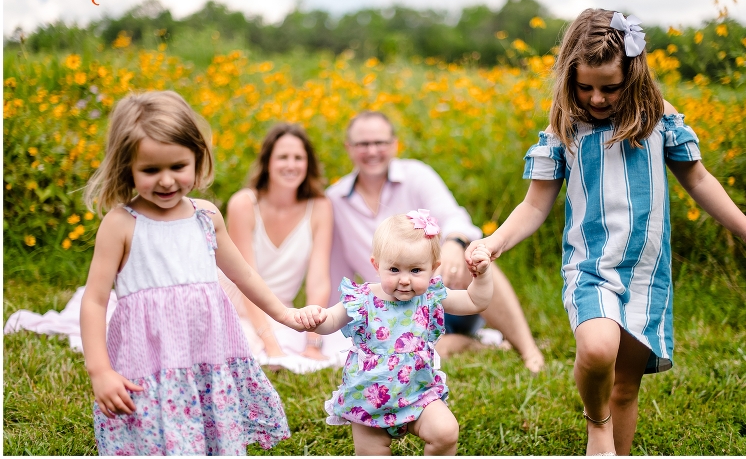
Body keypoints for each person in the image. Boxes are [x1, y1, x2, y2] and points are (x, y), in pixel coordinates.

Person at [464, 9, 746, 456]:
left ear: (634, 75)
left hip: (646, 274)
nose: (597, 98)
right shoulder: (564, 129)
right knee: (598, 348)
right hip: (590, 268)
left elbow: (699, 180)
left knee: (625, 386)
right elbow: (534, 204)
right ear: (570, 78)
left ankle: (613, 447)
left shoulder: (660, 120)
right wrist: (493, 242)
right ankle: (596, 424)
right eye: (585, 87)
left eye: (610, 87)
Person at [79, 91, 324, 455]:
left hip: (207, 355)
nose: (165, 181)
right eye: (150, 170)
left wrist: (284, 314)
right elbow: (95, 301)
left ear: (198, 159)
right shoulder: (121, 224)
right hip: (151, 364)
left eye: (177, 167)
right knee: (157, 438)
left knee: (212, 439)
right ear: (127, 168)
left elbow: (245, 276)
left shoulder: (206, 217)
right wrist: (100, 370)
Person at [326, 110, 545, 373]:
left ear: (394, 144)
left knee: (468, 258)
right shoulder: (335, 199)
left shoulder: (416, 175)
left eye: (380, 143)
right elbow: (335, 267)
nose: (372, 150)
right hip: (392, 308)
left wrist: (453, 243)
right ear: (349, 148)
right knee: (418, 354)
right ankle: (470, 344)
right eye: (363, 144)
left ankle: (528, 349)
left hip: (440, 293)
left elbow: (455, 218)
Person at [315, 211, 494, 455]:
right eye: (394, 269)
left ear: (433, 268)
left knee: (446, 432)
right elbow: (331, 320)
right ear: (377, 265)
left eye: (416, 270)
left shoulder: (431, 297)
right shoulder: (362, 298)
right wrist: (315, 319)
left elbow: (475, 301)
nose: (404, 280)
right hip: (370, 398)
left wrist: (482, 276)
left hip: (418, 393)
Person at [219, 123, 350, 372]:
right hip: (231, 301)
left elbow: (318, 278)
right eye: (283, 157)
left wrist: (313, 340)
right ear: (267, 162)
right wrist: (270, 345)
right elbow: (243, 278)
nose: (291, 165)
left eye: (298, 158)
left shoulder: (320, 206)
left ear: (308, 164)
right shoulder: (243, 204)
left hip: (278, 309)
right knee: (243, 352)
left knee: (324, 346)